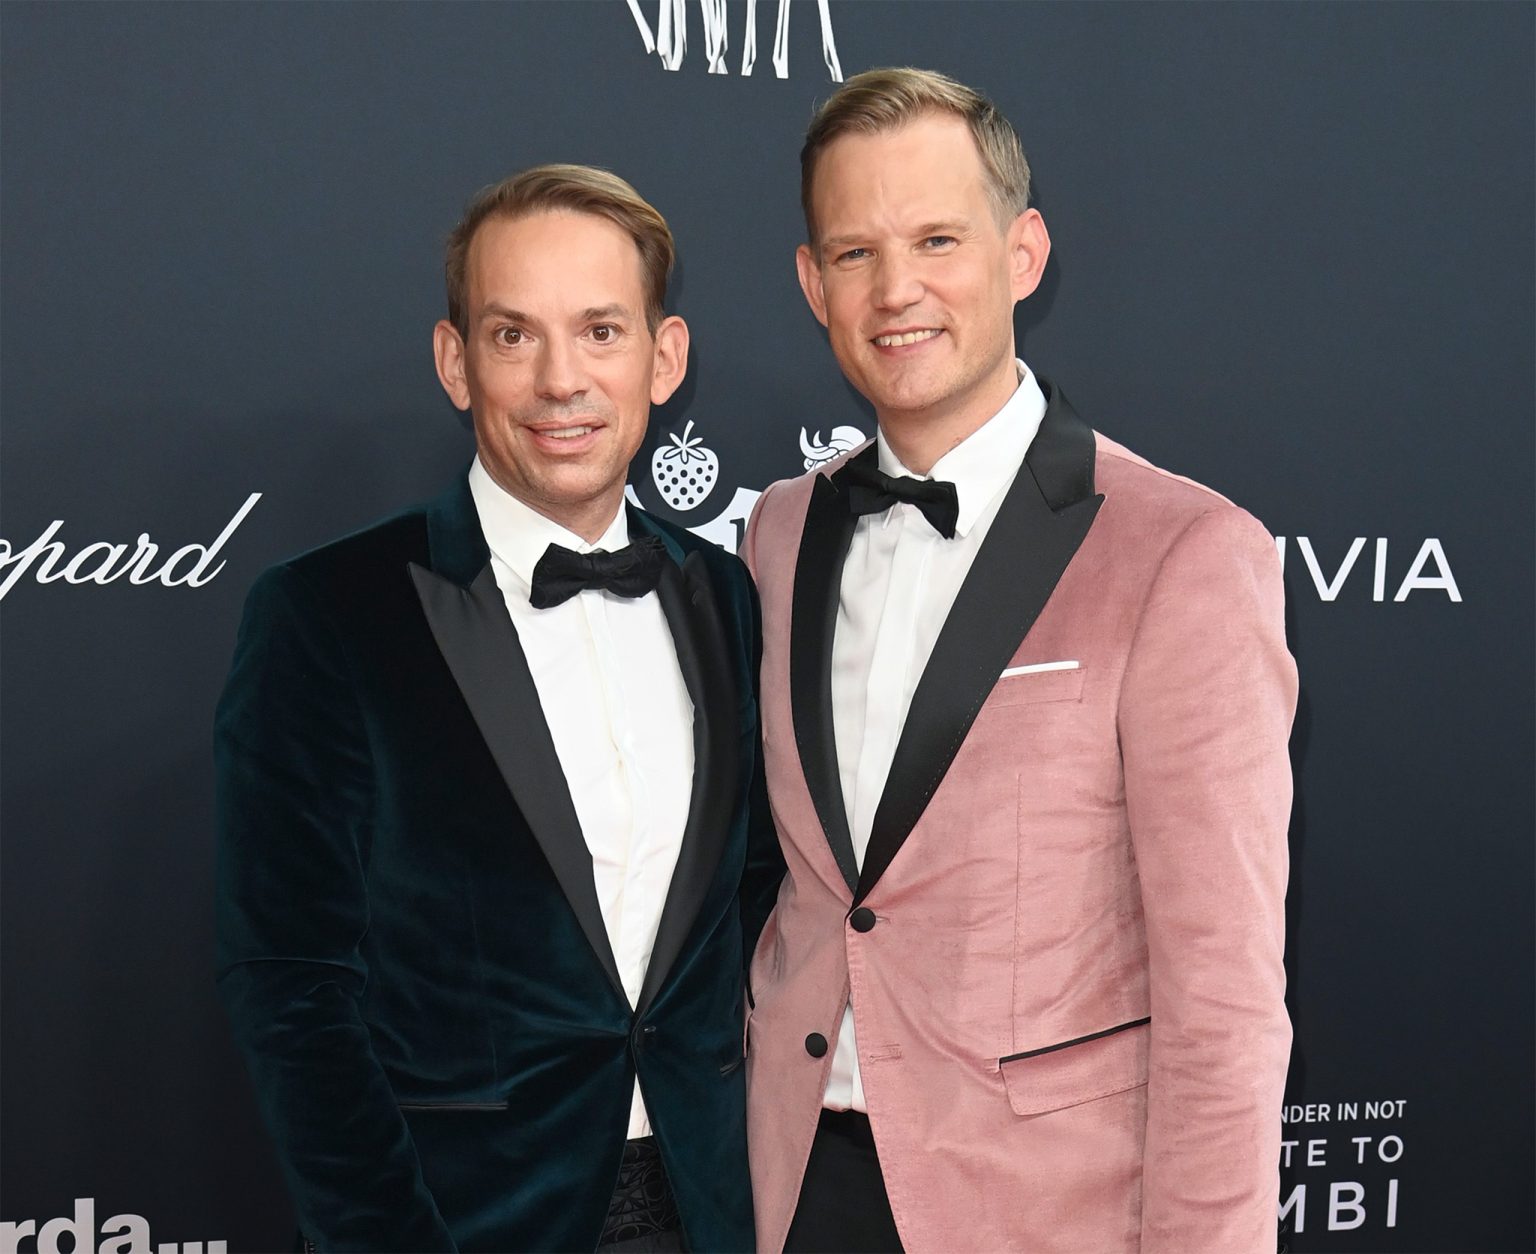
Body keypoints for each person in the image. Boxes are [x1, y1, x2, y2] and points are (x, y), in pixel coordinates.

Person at [740, 68, 1296, 1253]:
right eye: (853, 253)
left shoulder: (1183, 555)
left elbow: (1225, 1003)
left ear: (1024, 253)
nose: (898, 291)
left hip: (1046, 1210)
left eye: (939, 239)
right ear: (810, 283)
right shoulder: (778, 533)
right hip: (790, 1190)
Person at [215, 164, 779, 1254]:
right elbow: (290, 986)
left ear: (665, 360)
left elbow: (754, 902)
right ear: (456, 362)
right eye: (515, 336)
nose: (561, 380)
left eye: (602, 331)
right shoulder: (328, 615)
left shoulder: (728, 598)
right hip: (465, 1222)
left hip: (713, 1210)